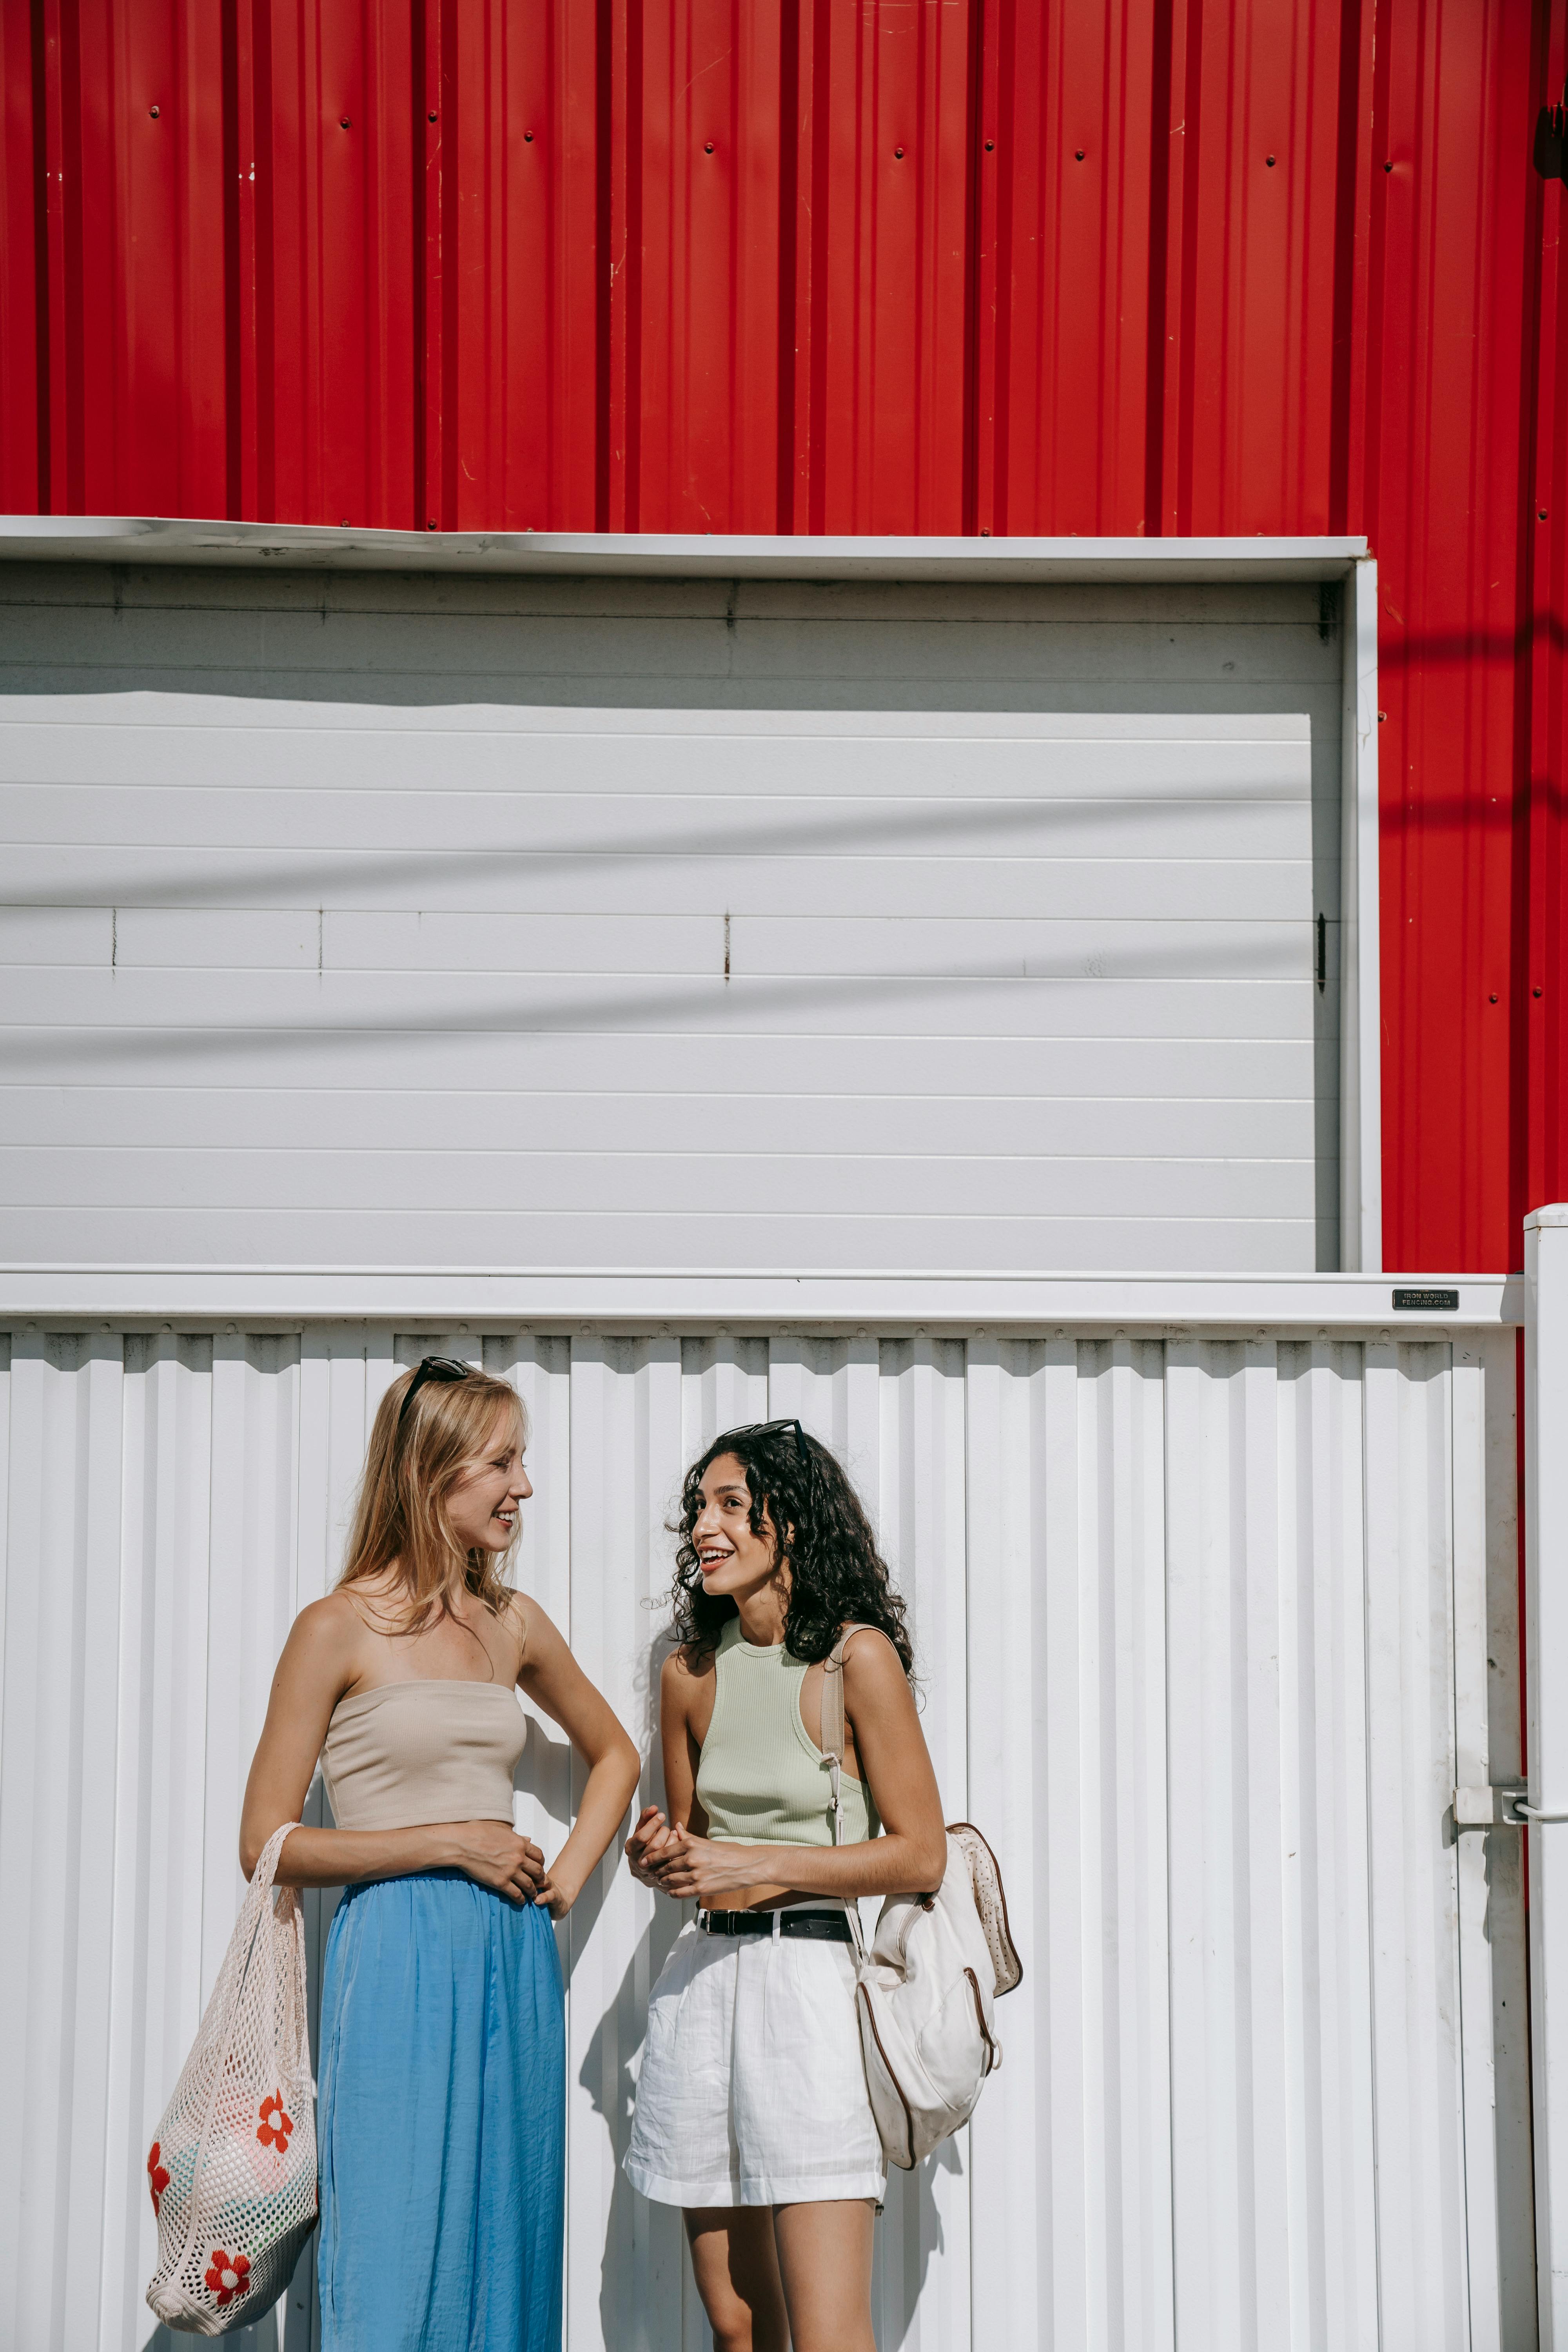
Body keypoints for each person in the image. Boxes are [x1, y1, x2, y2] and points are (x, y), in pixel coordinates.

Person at [240, 1356, 641, 2352]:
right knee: (394, 2237)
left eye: (524, 1462)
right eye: (503, 1463)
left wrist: (564, 1881)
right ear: (433, 1472)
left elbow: (616, 1756)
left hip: (507, 1954)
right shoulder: (336, 1628)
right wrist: (448, 1843)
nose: (525, 1487)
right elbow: (265, 1842)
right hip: (394, 1956)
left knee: (505, 2235)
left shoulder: (512, 1623)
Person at [622, 1419, 949, 2352]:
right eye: (698, 1509)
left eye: (731, 1505)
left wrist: (757, 1864)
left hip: (807, 1991)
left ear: (791, 1524)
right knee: (735, 2326)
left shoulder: (856, 1659)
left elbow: (919, 1853)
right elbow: (692, 1849)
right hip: (702, 1987)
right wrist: (662, 1856)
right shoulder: (687, 1671)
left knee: (826, 2334)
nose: (704, 1528)